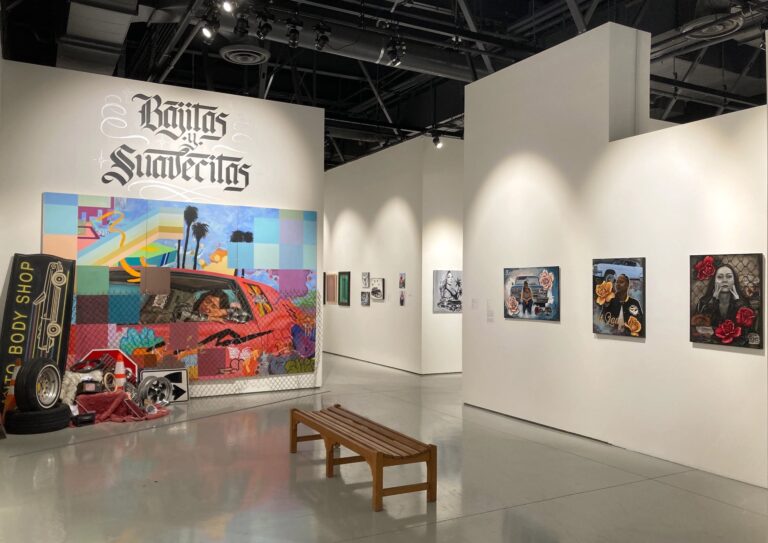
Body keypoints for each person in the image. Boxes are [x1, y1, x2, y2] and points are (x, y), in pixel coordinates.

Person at [695, 264, 748, 328]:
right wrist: (713, 301)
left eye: (729, 276)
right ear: (714, 280)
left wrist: (738, 302)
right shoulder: (703, 302)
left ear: (734, 280)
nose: (724, 280)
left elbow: (746, 328)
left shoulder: (743, 303)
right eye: (720, 277)